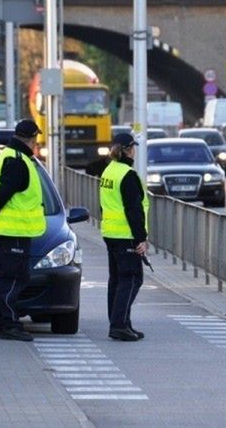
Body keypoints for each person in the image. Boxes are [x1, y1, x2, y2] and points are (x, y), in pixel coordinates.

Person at [0, 119, 46, 342]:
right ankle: (9, 325)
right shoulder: (17, 160)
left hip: (15, 230)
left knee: (15, 277)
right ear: (32, 139)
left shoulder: (10, 156)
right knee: (11, 279)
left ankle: (10, 321)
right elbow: (4, 191)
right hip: (14, 231)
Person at [100, 132, 149, 341]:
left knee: (117, 280)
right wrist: (141, 238)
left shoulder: (109, 171)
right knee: (131, 279)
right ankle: (119, 325)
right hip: (125, 234)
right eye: (133, 147)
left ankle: (121, 322)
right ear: (128, 149)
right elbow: (134, 209)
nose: (135, 151)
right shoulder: (127, 175)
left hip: (110, 232)